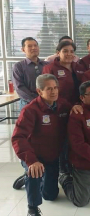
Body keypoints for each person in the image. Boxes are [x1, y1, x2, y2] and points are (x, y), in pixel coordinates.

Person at [11, 74, 71, 216]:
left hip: (52, 156)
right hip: (34, 155)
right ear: (39, 91)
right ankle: (32, 207)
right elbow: (19, 137)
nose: (54, 92)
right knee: (34, 171)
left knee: (50, 195)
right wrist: (31, 161)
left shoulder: (63, 105)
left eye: (55, 88)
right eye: (49, 89)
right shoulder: (30, 110)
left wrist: (77, 109)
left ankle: (28, 179)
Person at [11, 37, 49, 190]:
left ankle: (43, 170)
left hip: (47, 109)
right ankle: (28, 170)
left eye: (35, 45)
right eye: (29, 46)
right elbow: (20, 89)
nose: (33, 48)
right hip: (29, 108)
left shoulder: (47, 65)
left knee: (45, 139)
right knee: (28, 139)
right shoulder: (19, 67)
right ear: (23, 49)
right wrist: (39, 101)